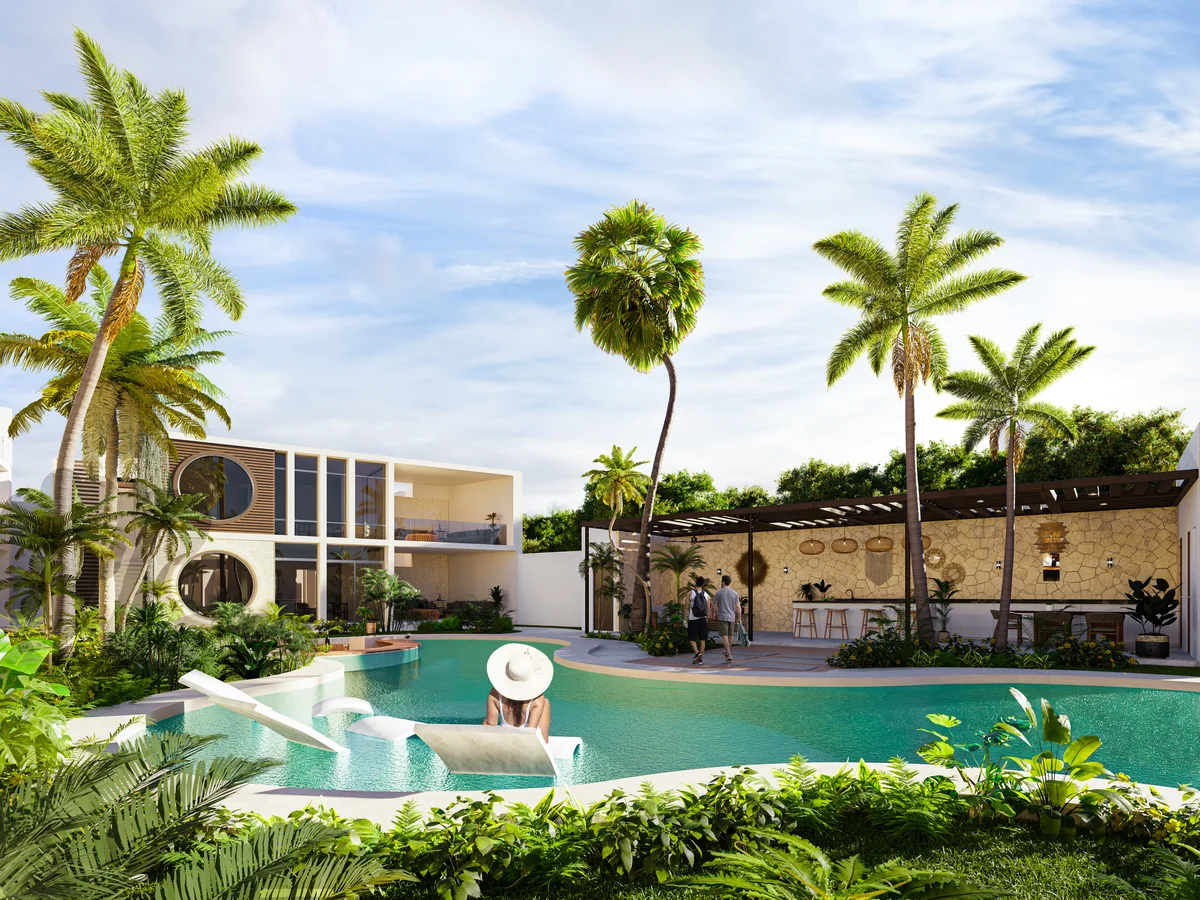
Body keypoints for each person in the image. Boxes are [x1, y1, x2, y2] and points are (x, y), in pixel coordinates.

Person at [482, 643, 553, 740]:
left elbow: (490, 724)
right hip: (526, 746)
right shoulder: (538, 700)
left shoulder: (495, 694)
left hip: (504, 741)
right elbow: (530, 734)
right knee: (546, 703)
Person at [713, 574, 741, 663]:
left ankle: (729, 655)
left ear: (723, 582)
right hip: (732, 617)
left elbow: (714, 605)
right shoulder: (734, 593)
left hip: (722, 617)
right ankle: (727, 652)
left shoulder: (718, 592)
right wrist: (739, 617)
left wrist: (714, 614)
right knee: (730, 636)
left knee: (724, 637)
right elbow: (738, 607)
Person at [686, 576, 711, 665]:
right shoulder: (707, 595)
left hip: (693, 618)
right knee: (702, 639)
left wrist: (684, 619)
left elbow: (686, 608)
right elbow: (708, 609)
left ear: (695, 583)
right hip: (703, 618)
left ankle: (697, 653)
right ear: (703, 584)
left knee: (691, 638)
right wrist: (707, 619)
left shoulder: (690, 593)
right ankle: (700, 659)